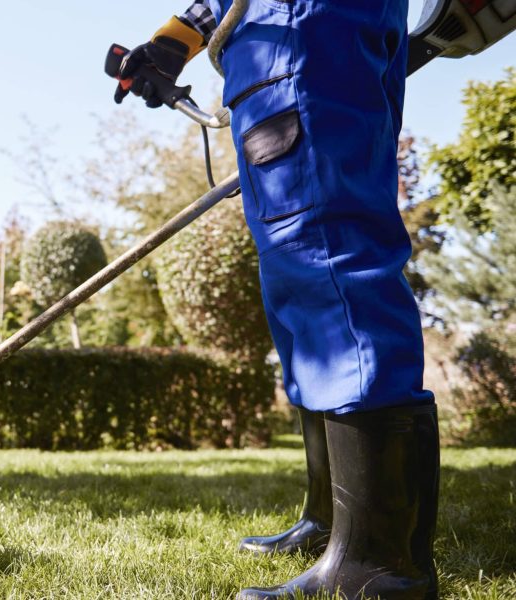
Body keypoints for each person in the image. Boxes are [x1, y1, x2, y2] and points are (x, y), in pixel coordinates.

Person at [114, 1, 440, 598]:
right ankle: (333, 523)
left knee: (326, 254)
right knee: (297, 280)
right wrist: (172, 42)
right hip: (280, 35)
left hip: (303, 27)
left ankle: (378, 564)